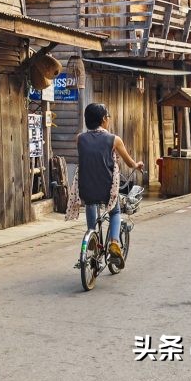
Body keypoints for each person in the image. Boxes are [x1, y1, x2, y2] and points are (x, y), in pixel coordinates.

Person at [64, 103, 144, 267]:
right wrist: (137, 165)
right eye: (107, 117)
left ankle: (92, 236)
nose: (108, 119)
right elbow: (130, 163)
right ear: (103, 119)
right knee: (115, 211)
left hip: (85, 186)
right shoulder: (114, 140)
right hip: (107, 187)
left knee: (90, 204)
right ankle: (114, 242)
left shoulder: (80, 138)